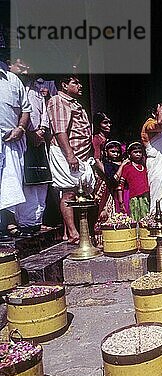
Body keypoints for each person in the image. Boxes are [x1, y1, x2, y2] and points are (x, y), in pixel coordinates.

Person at [47, 74, 96, 244]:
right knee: (68, 192)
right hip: (66, 153)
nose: (80, 86)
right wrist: (69, 155)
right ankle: (74, 232)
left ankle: (70, 232)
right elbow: (60, 130)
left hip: (79, 155)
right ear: (64, 85)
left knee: (78, 191)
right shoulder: (57, 100)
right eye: (75, 83)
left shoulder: (75, 103)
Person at [9, 60, 52, 237]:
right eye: (22, 64)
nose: (27, 67)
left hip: (39, 140)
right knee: (27, 181)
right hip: (24, 138)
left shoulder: (37, 89)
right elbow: (19, 114)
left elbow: (43, 111)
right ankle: (26, 223)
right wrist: (30, 132)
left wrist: (41, 130)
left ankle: (37, 221)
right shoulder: (13, 86)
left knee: (41, 180)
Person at [0, 59, 31, 241]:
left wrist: (21, 128)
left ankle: (9, 223)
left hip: (11, 140)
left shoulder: (12, 80)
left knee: (11, 183)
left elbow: (25, 110)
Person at [119, 142, 150, 221]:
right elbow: (120, 185)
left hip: (145, 197)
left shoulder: (144, 167)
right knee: (135, 217)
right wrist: (121, 202)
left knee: (146, 217)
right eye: (135, 152)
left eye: (140, 152)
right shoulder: (127, 167)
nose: (138, 154)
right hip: (134, 198)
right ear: (129, 154)